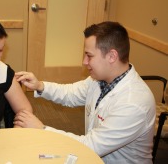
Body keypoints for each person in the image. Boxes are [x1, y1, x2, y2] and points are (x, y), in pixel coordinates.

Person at [14, 21, 156, 163]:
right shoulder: (100, 80)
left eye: (89, 55)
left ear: (112, 56)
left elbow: (90, 146)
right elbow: (71, 94)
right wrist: (40, 86)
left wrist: (42, 129)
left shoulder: (134, 103)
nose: (84, 61)